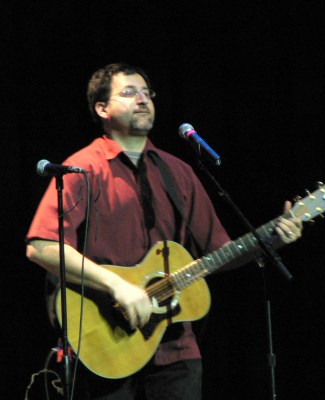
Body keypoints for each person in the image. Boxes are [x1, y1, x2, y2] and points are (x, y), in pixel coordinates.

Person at [25, 62, 303, 400]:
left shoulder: (179, 172)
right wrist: (118, 286)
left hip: (176, 351)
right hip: (106, 343)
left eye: (147, 93)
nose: (143, 100)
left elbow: (220, 251)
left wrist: (272, 239)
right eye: (129, 92)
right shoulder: (82, 169)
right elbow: (41, 246)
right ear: (102, 108)